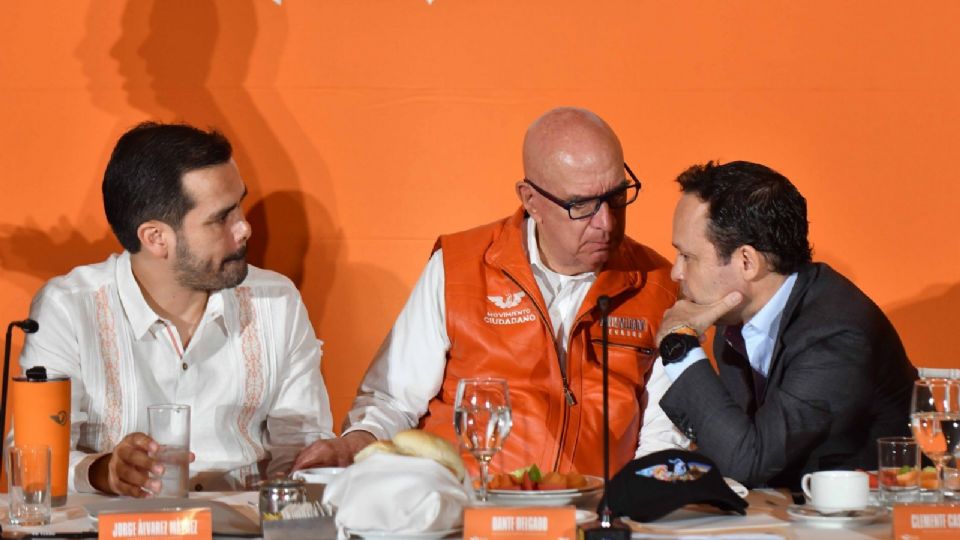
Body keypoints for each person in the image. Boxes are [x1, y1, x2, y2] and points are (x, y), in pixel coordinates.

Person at [295, 107, 687, 475]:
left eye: (617, 197)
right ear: (531, 199)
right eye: (581, 205)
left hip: (592, 514)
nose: (605, 222)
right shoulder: (459, 267)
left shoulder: (658, 285)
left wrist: (641, 501)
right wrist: (355, 444)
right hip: (466, 510)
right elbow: (391, 400)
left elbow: (662, 436)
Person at [18, 122, 333, 497]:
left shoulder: (276, 301)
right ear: (156, 238)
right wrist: (104, 472)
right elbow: (33, 461)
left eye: (240, 206)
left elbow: (303, 448)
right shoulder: (69, 308)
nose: (245, 228)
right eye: (221, 217)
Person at [654, 160, 917, 489]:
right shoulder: (733, 316)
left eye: (687, 257)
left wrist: (679, 347)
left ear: (747, 262)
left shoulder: (835, 334)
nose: (676, 273)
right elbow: (731, 444)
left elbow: (746, 461)